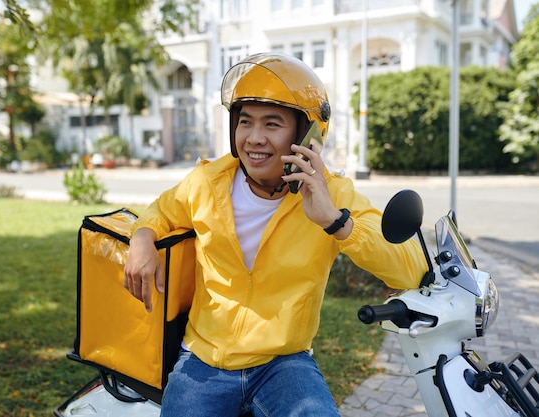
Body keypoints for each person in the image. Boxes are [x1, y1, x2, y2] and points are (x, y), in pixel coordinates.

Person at [123, 52, 427, 417]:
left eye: (272, 124)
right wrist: (142, 239)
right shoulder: (208, 180)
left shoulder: (334, 194)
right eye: (245, 122)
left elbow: (410, 270)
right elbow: (160, 211)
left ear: (307, 134)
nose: (253, 138)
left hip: (283, 363)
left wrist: (335, 220)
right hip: (203, 359)